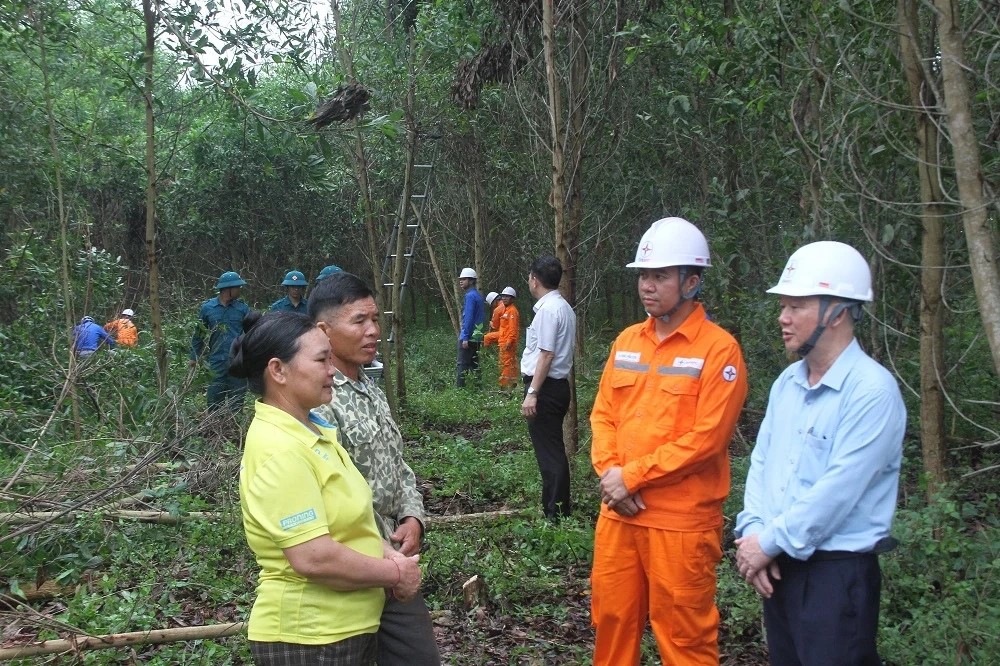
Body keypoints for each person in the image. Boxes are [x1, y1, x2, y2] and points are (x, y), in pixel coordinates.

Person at [734, 241, 906, 666]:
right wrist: (754, 531)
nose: (783, 317)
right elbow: (762, 463)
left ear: (837, 312)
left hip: (836, 577)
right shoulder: (787, 383)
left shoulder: (872, 391)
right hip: (779, 566)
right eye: (783, 306)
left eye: (796, 306)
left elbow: (837, 492)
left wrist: (766, 543)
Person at [589, 217, 748, 666]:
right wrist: (612, 476)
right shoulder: (626, 341)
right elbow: (603, 415)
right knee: (611, 623)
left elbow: (707, 440)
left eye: (660, 276)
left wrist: (632, 477)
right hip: (619, 515)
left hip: (680, 524)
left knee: (684, 640)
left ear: (691, 282)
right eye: (644, 275)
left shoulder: (719, 350)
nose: (647, 285)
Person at [229, 310, 421, 665]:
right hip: (311, 637)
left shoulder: (314, 432)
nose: (332, 370)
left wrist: (389, 553)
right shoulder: (280, 449)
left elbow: (351, 524)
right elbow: (313, 557)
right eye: (321, 360)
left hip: (343, 631)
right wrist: (396, 573)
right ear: (278, 370)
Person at [307, 272, 441, 665]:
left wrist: (413, 516)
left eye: (375, 319)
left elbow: (398, 464)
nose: (373, 331)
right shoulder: (318, 401)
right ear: (324, 331)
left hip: (394, 560)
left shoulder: (372, 389)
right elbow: (329, 492)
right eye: (359, 321)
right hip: (354, 563)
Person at [520, 256, 576, 520]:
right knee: (553, 450)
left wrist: (533, 393)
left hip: (546, 388)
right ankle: (558, 509)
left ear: (534, 280)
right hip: (556, 386)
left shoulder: (548, 310)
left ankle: (555, 515)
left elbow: (546, 354)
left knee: (549, 453)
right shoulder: (563, 307)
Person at [190, 270, 251, 412]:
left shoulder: (243, 309)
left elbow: (251, 334)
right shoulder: (208, 308)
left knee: (237, 397)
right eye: (237, 287)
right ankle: (215, 423)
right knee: (214, 398)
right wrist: (194, 356)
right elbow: (199, 334)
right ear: (228, 289)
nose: (239, 290)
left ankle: (235, 422)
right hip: (216, 361)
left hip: (237, 360)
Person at [483, 286, 520, 389]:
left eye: (507, 296)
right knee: (509, 362)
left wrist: (509, 341)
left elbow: (512, 329)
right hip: (503, 340)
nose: (504, 298)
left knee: (505, 364)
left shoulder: (512, 311)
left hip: (507, 342)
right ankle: (512, 383)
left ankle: (503, 386)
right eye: (503, 296)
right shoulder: (505, 310)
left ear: (512, 298)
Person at [456, 267, 485, 387]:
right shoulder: (478, 296)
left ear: (471, 281)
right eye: (460, 279)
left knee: (462, 365)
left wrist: (465, 337)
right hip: (477, 336)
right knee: (474, 365)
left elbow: (468, 317)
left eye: (464, 279)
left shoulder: (470, 296)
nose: (461, 281)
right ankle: (478, 388)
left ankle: (459, 391)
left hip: (469, 336)